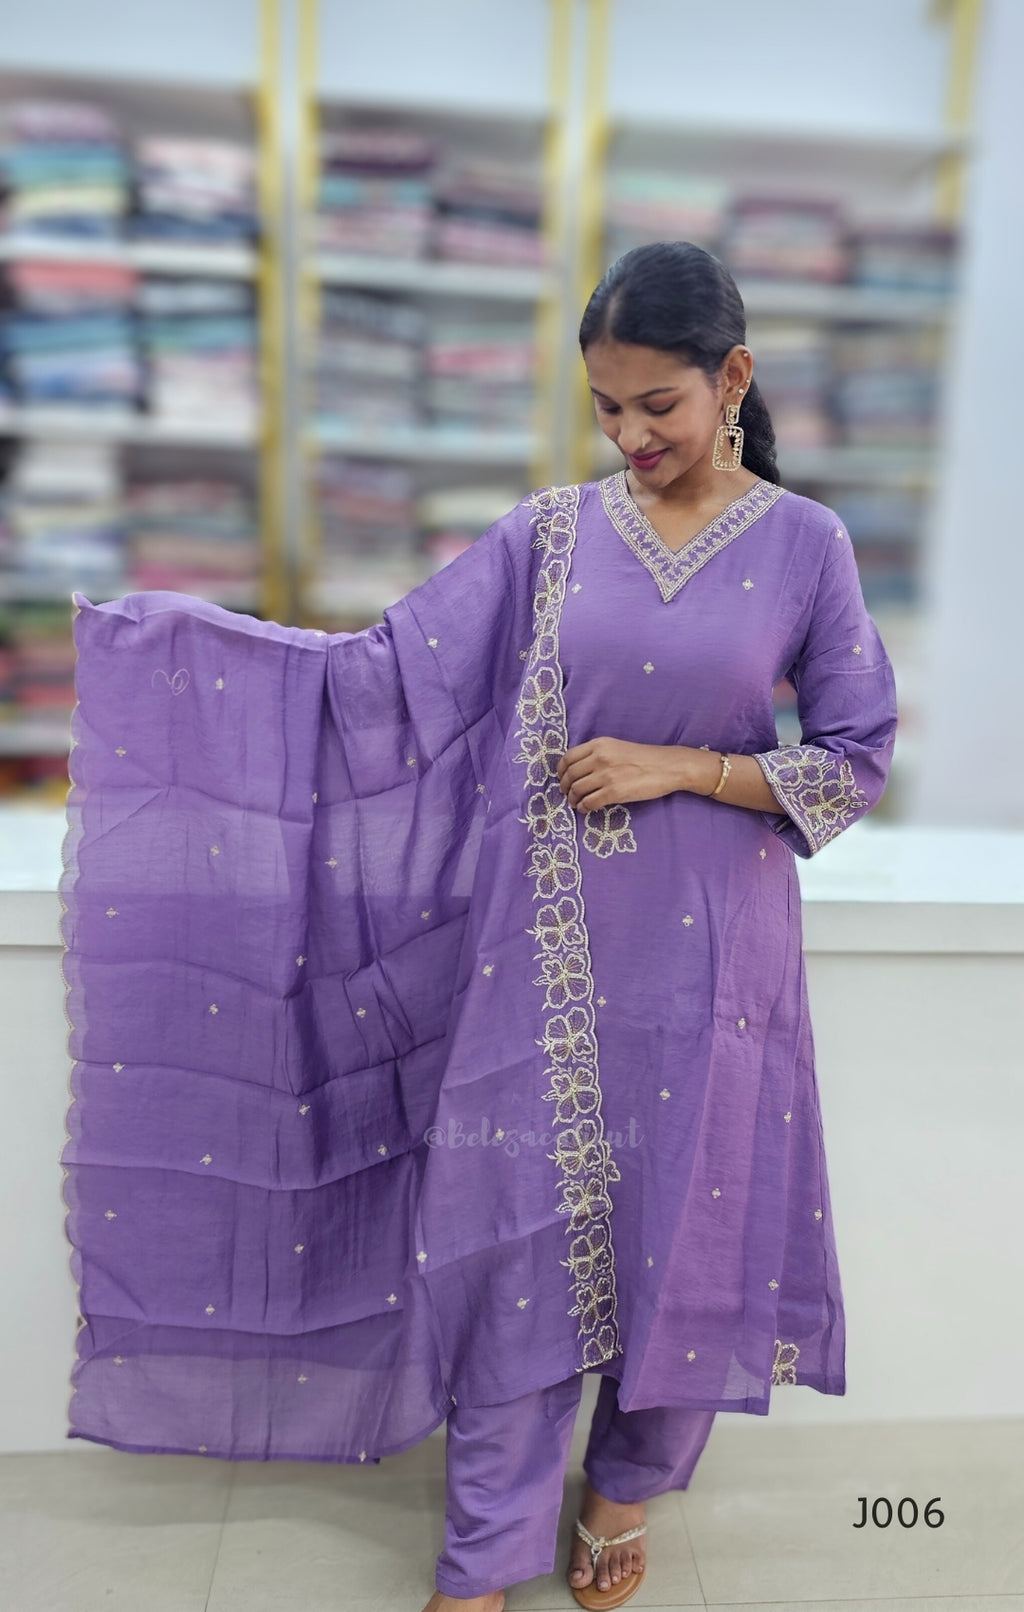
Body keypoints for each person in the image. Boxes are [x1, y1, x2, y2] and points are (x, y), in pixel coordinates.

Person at [59, 241, 898, 1612]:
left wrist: (683, 767)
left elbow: (855, 758)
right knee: (519, 1241)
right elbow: (384, 677)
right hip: (543, 953)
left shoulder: (808, 546)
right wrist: (188, 649)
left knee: (685, 1223)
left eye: (659, 405)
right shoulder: (548, 535)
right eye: (606, 406)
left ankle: (624, 1489)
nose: (629, 436)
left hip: (712, 951)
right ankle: (487, 1547)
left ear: (733, 379)